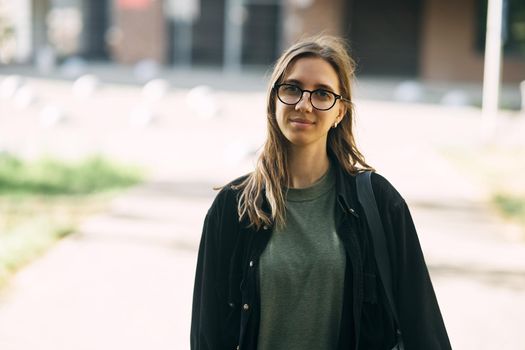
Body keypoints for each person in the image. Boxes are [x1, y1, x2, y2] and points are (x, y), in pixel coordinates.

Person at [191, 35, 451, 350]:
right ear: (274, 100)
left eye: (323, 93)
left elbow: (422, 326)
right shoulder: (233, 207)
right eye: (292, 88)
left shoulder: (379, 202)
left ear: (340, 112)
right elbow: (208, 336)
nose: (304, 104)